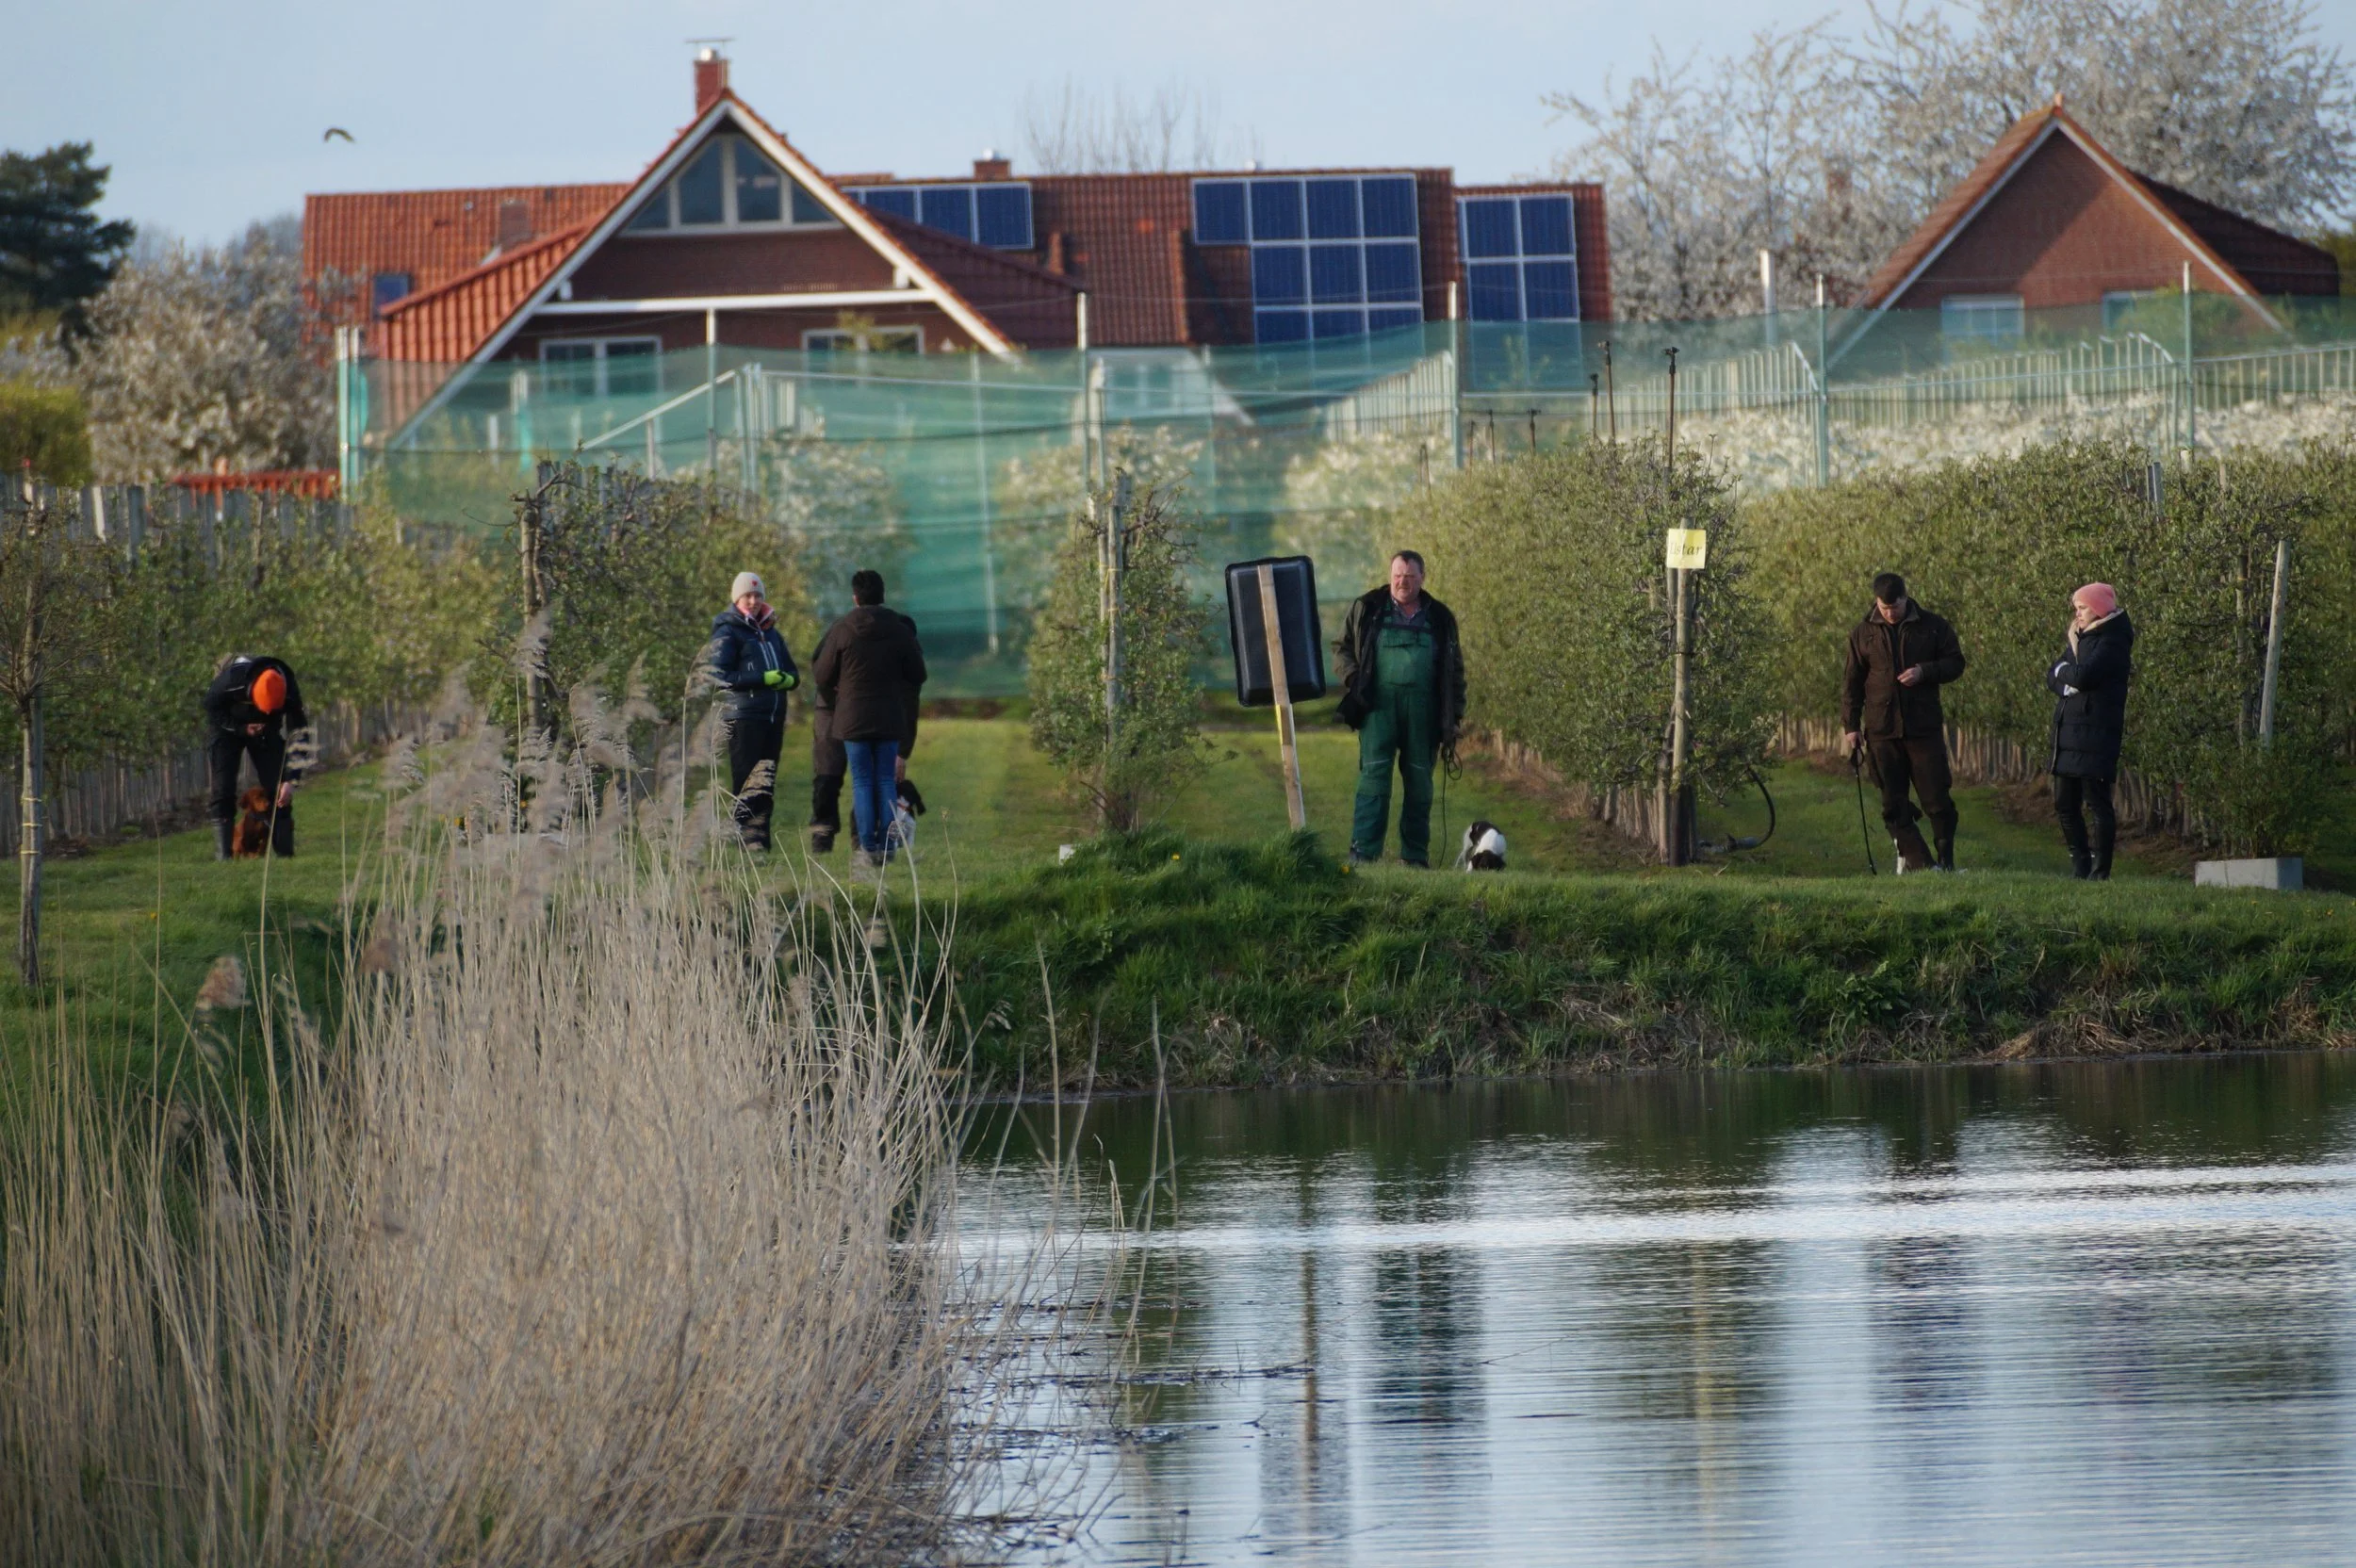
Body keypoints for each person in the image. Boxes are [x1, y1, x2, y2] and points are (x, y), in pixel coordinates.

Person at [1334, 550, 1465, 868]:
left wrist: (1454, 717)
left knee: (1420, 785)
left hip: (1424, 712)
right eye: (1397, 576)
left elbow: (1455, 672)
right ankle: (1363, 853)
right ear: (1389, 575)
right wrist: (1354, 679)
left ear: (1422, 578)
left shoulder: (1440, 618)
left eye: (1409, 577)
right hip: (1377, 709)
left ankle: (1415, 857)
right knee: (1374, 778)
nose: (1402, 582)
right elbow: (1341, 648)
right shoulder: (1368, 608)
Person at [1841, 571, 1968, 874]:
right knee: (1893, 804)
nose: (1890, 613)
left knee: (1937, 799)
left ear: (1905, 597)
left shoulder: (1933, 626)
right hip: (1881, 730)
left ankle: (1946, 864)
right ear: (1876, 601)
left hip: (1923, 728)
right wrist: (1851, 727)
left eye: (1895, 607)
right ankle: (1924, 866)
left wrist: (1925, 672)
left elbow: (1956, 663)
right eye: (1884, 608)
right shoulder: (1862, 633)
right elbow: (1851, 682)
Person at [812, 569, 927, 875]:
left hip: (852, 719)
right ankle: (887, 848)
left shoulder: (842, 629)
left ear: (855, 598)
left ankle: (867, 847)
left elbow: (821, 674)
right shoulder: (899, 629)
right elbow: (918, 674)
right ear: (883, 595)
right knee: (885, 781)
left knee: (862, 782)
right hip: (889, 717)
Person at [2048, 581, 2135, 880]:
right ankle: (2079, 865)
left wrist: (2064, 672)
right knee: (2064, 803)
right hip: (2068, 733)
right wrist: (2064, 680)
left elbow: (2084, 676)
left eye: (2083, 607)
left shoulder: (2113, 641)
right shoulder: (2078, 637)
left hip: (2096, 733)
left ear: (2098, 609)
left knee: (2097, 802)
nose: (2078, 613)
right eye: (2076, 608)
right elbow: (2051, 675)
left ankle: (2100, 871)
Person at [707, 571, 798, 850]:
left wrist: (789, 680)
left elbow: (792, 671)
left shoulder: (771, 633)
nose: (754, 601)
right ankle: (745, 839)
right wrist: (762, 679)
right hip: (743, 717)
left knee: (766, 781)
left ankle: (761, 840)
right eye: (747, 595)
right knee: (747, 780)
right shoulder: (727, 631)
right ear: (737, 598)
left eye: (758, 596)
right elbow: (719, 676)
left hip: (772, 716)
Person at [205, 653, 307, 860]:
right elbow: (211, 708)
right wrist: (240, 729)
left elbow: (299, 735)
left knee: (278, 786)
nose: (266, 712)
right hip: (227, 729)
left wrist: (291, 779)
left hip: (265, 731)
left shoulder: (289, 688)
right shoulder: (231, 680)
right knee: (223, 788)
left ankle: (285, 855)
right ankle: (224, 856)